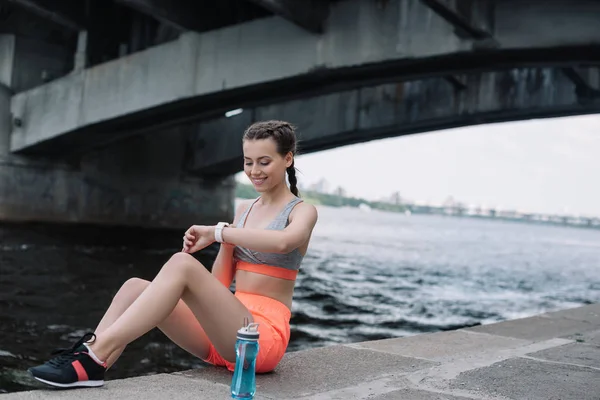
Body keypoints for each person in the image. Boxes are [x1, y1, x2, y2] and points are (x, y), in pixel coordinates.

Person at [27, 120, 319, 388]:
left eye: (264, 162)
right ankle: (91, 365)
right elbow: (218, 287)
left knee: (182, 264)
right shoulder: (244, 210)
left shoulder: (302, 211)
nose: (254, 171)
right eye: (248, 162)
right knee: (134, 288)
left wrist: (218, 233)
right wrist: (222, 245)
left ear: (288, 159)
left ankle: (93, 355)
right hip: (221, 334)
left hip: (258, 342)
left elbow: (283, 243)